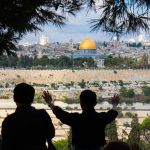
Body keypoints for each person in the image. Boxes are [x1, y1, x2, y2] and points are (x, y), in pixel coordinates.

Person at [42, 89, 119, 150]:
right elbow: (112, 114)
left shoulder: (76, 119)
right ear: (95, 103)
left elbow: (61, 114)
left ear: (81, 103)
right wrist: (115, 104)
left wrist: (50, 103)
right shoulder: (101, 118)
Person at [2, 83, 55, 150]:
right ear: (32, 98)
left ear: (14, 98)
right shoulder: (42, 115)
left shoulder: (8, 121)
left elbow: (5, 145)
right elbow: (51, 134)